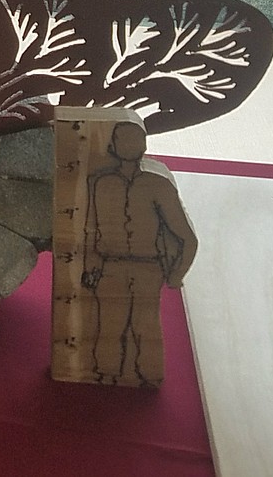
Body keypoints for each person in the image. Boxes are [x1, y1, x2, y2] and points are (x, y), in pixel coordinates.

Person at [81, 121, 197, 386]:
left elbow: (187, 238)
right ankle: (106, 375)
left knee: (145, 328)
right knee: (109, 327)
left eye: (135, 140)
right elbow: (90, 230)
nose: (130, 146)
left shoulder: (157, 185)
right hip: (110, 268)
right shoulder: (99, 183)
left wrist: (177, 274)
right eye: (124, 140)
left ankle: (146, 376)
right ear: (113, 147)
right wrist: (90, 268)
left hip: (148, 268)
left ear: (144, 146)